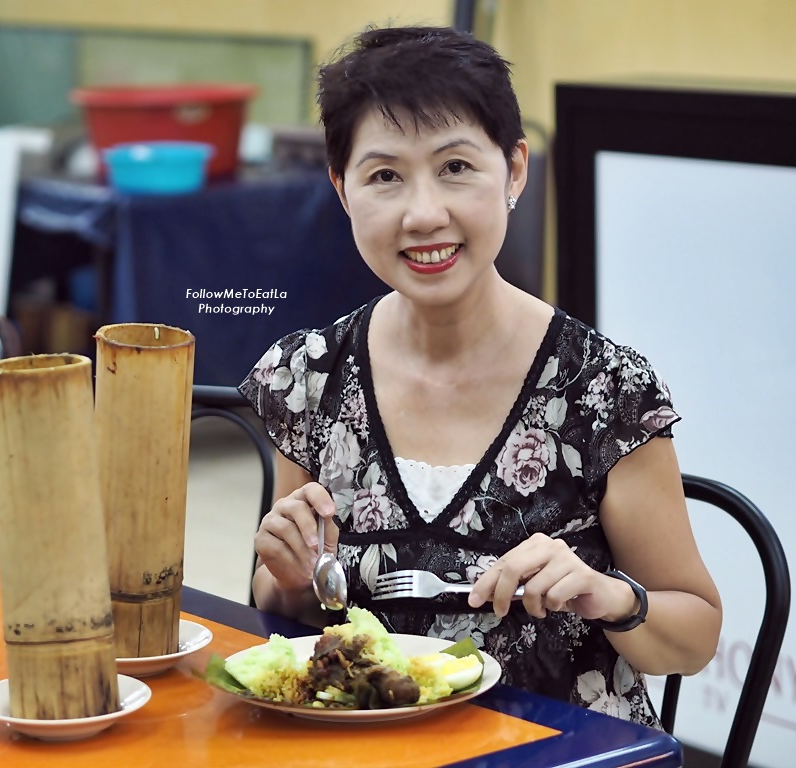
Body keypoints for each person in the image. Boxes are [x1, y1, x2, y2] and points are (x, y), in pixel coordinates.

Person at [238, 24, 721, 727]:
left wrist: (607, 594)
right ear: (341, 190)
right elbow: (294, 600)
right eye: (383, 176)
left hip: (558, 747)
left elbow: (695, 630)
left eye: (456, 167)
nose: (423, 213)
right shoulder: (308, 376)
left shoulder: (601, 388)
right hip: (367, 745)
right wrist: (289, 582)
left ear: (514, 169)